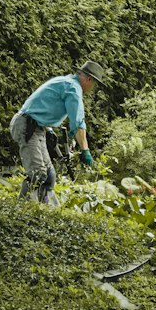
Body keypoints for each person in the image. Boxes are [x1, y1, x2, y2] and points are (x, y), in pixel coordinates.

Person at [9, 59, 102, 203]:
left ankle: (48, 211)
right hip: (27, 126)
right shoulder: (73, 89)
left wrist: (49, 129)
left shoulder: (65, 81)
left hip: (37, 127)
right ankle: (20, 210)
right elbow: (78, 123)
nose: (92, 87)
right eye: (94, 84)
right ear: (88, 79)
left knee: (49, 175)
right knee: (38, 174)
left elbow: (43, 106)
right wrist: (85, 150)